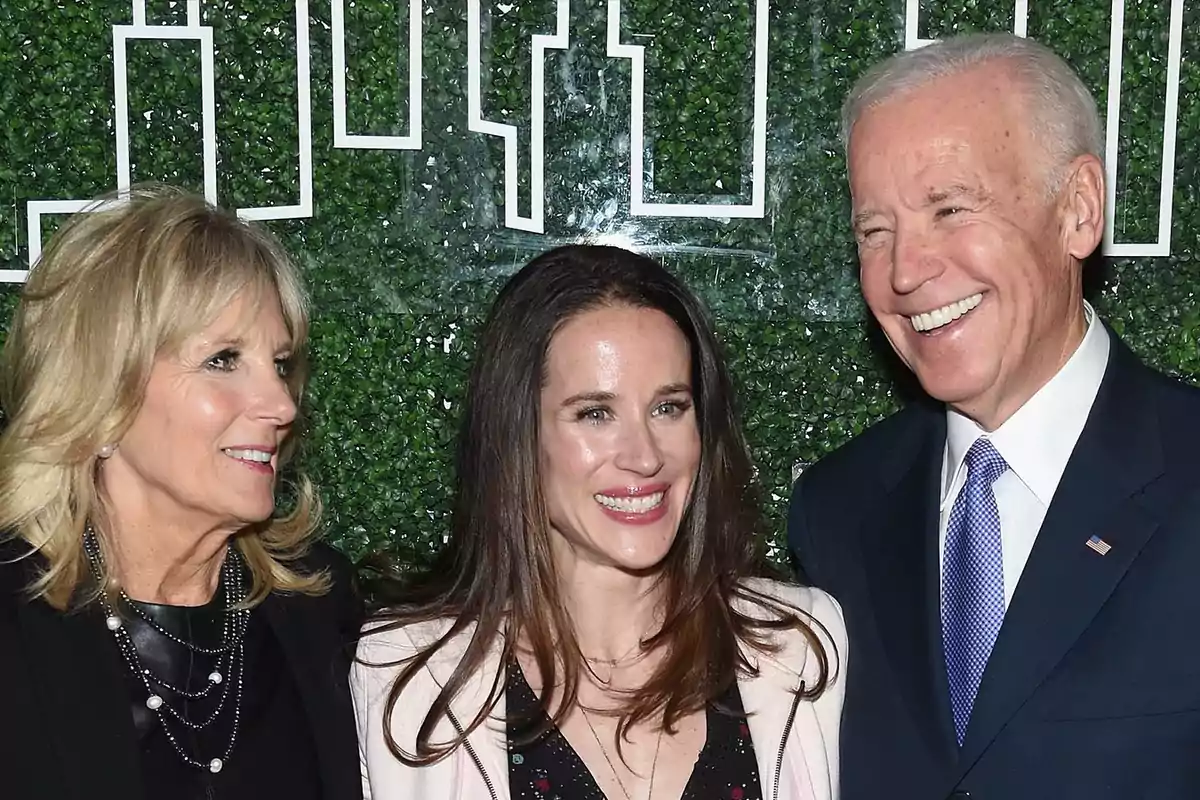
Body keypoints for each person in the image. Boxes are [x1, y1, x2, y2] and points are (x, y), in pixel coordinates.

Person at [788, 31, 1200, 800]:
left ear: (1078, 210)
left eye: (949, 208)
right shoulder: (837, 512)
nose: (905, 271)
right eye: (874, 232)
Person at [353, 244, 846, 800]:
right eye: (595, 413)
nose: (644, 455)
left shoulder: (801, 645)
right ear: (518, 437)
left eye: (669, 407)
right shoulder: (407, 673)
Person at [0, 185, 363, 800]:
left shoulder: (322, 609)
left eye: (280, 364)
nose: (280, 404)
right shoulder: (15, 625)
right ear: (102, 392)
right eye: (223, 359)